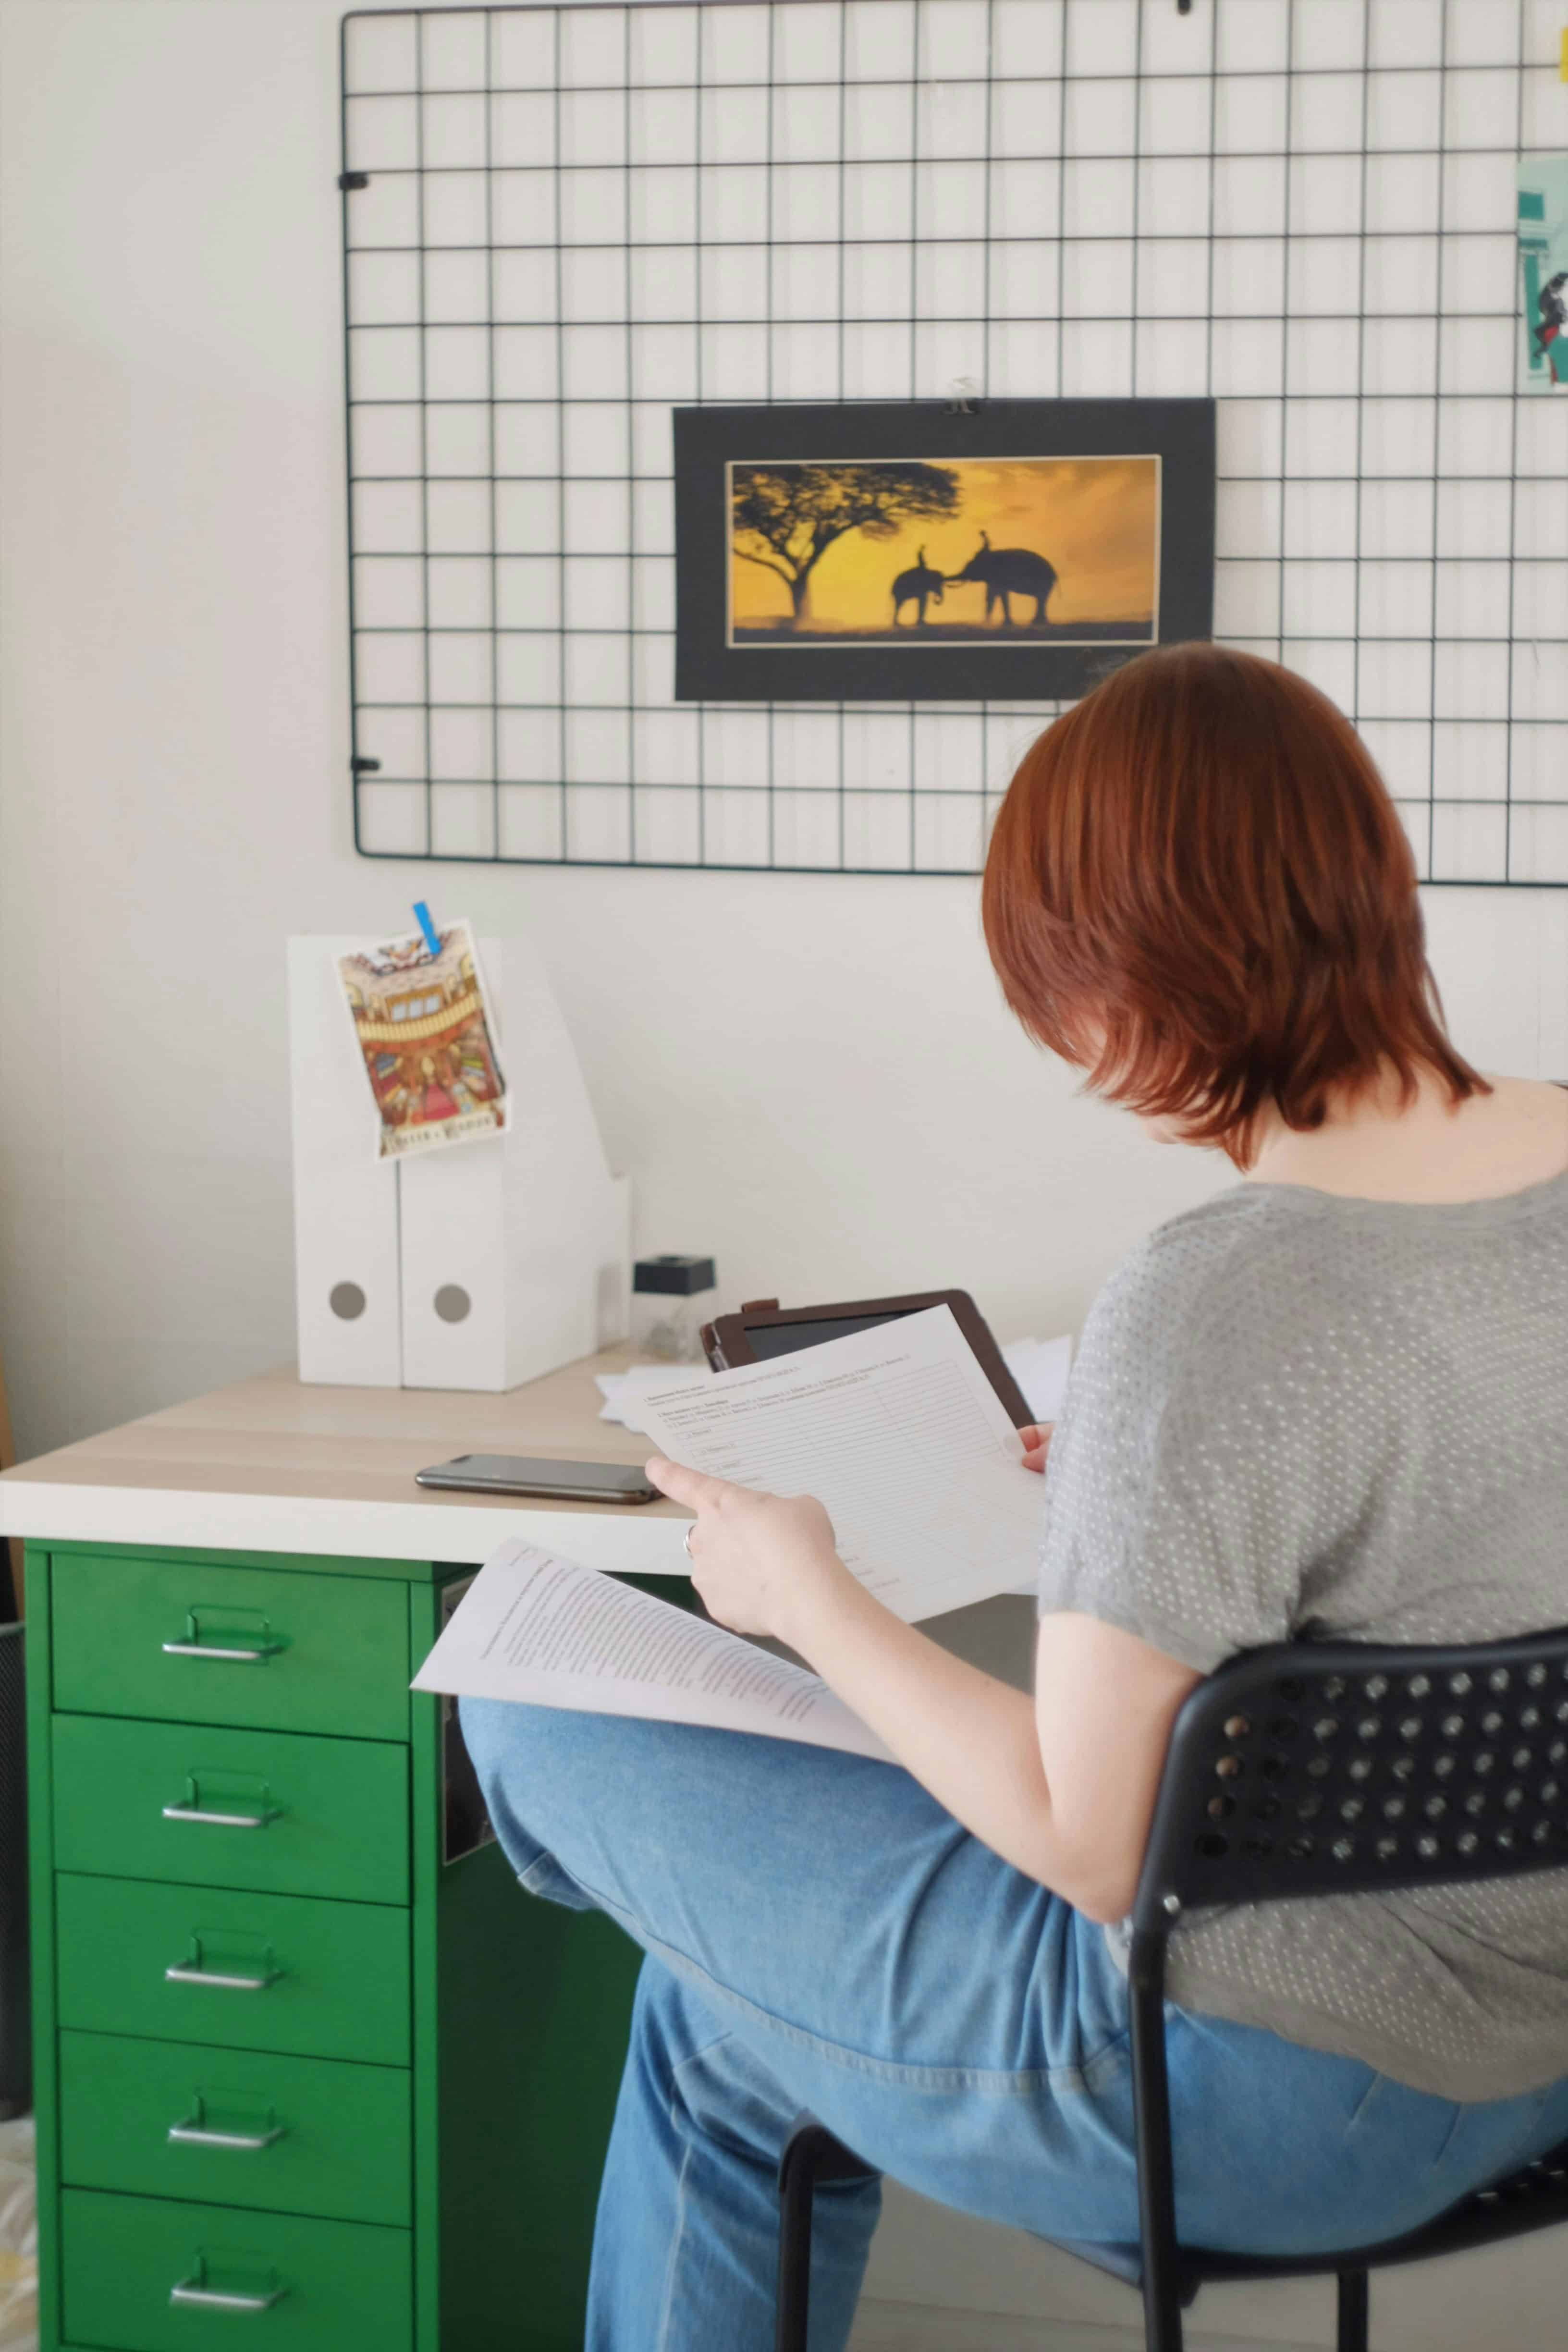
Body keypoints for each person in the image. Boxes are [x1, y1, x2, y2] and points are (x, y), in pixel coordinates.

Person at [460, 644, 1568, 2352]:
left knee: (532, 1713)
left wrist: (801, 1598)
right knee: (715, 2018)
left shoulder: (1217, 1295)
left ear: (1137, 975)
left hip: (1236, 2095)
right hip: (1537, 2061)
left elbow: (1088, 1847)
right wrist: (1145, 1505)